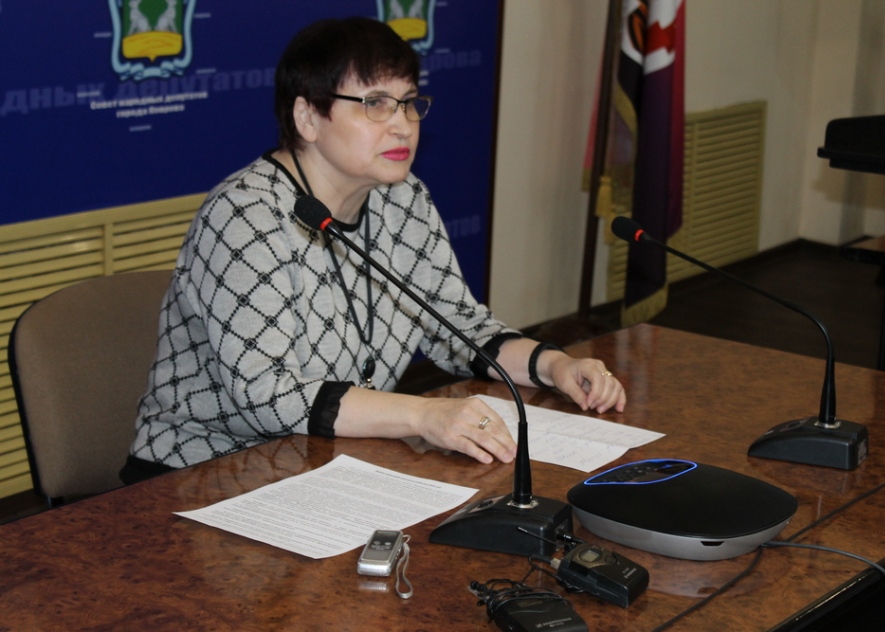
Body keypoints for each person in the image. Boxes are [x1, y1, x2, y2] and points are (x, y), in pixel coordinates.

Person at [120, 17, 626, 484]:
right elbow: (266, 394)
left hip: (322, 462)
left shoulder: (402, 199)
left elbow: (460, 328)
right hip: (195, 474)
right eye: (375, 103)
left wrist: (555, 366)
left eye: (408, 102)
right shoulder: (245, 214)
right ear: (307, 117)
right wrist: (421, 414)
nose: (403, 124)